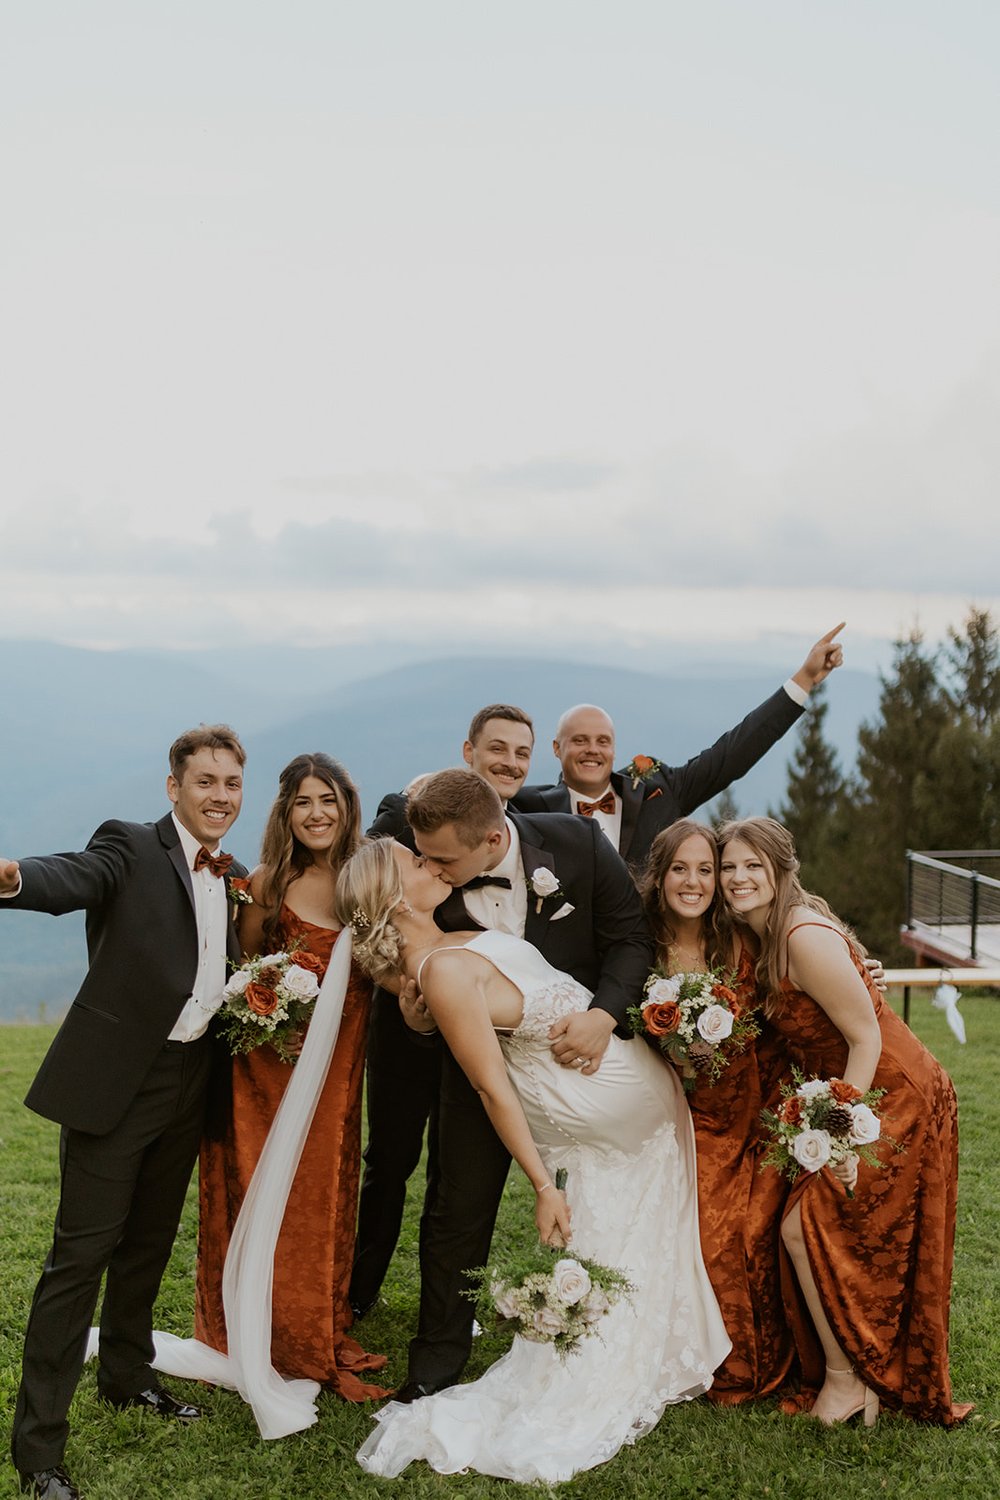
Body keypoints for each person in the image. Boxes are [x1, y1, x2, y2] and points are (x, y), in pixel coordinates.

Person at [335, 838, 730, 1482]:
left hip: (626, 1092)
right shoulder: (442, 972)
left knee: (629, 1226)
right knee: (610, 1224)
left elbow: (411, 968)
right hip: (597, 1109)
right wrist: (544, 1185)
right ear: (393, 897)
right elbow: (492, 1086)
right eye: (417, 865)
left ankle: (630, 1331)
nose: (434, 866)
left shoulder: (446, 946)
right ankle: (603, 1345)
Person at [0, 726, 247, 1500]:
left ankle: (127, 1376)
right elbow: (74, 875)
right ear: (173, 788)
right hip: (119, 1083)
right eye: (205, 781)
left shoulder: (234, 874)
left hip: (191, 1078)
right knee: (79, 1261)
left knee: (147, 1245)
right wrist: (12, 877)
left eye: (232, 784)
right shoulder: (131, 846)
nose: (219, 796)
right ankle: (39, 1453)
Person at [380, 767, 654, 1401]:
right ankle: (436, 1360)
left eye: (444, 858)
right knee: (455, 1207)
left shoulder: (579, 845)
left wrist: (603, 1016)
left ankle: (601, 1326)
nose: (432, 868)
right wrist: (412, 1011)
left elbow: (631, 940)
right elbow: (412, 964)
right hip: (483, 1069)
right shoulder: (425, 878)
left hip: (579, 1064)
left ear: (490, 838)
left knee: (594, 1194)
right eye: (424, 857)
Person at [718, 816, 972, 1426]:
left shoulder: (801, 934)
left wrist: (835, 1134)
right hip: (844, 1090)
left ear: (781, 871)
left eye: (754, 865)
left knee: (806, 1228)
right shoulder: (754, 933)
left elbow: (863, 1036)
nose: (738, 877)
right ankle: (854, 1374)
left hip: (890, 1089)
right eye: (730, 866)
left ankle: (850, 1380)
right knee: (813, 1230)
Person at [194, 753, 389, 1401]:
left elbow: (380, 961)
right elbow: (246, 965)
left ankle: (312, 1327)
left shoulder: (366, 885)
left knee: (323, 1192)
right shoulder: (269, 885)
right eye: (304, 802)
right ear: (286, 812)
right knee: (262, 1192)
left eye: (327, 800)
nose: (317, 813)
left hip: (338, 1066)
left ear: (347, 807)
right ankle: (256, 1329)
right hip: (268, 1068)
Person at [350, 705, 536, 1321]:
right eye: (496, 750)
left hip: (488, 1032)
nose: (508, 762)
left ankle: (452, 1300)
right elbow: (372, 876)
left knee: (455, 1179)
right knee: (391, 1160)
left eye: (520, 753)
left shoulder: (533, 823)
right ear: (469, 756)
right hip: (408, 1033)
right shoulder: (411, 819)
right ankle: (359, 1288)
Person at [638, 820, 795, 1404]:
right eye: (681, 868)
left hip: (757, 1109)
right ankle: (707, 1357)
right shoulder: (641, 946)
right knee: (708, 1232)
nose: (695, 881)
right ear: (660, 876)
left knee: (754, 1229)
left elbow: (797, 976)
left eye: (707, 869)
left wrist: (864, 967)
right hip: (682, 1117)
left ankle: (766, 1357)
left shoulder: (739, 940)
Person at [518, 626, 845, 870]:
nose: (593, 750)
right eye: (579, 740)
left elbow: (731, 755)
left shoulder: (657, 791)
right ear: (556, 749)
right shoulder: (530, 810)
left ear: (614, 751)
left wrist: (804, 679)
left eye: (602, 741)